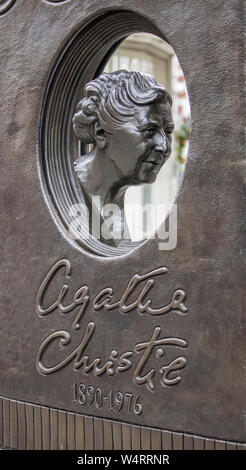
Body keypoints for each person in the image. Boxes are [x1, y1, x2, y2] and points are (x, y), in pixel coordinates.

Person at [72, 70, 174, 245]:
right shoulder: (65, 193)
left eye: (168, 132)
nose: (163, 146)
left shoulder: (113, 203)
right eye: (149, 130)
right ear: (100, 132)